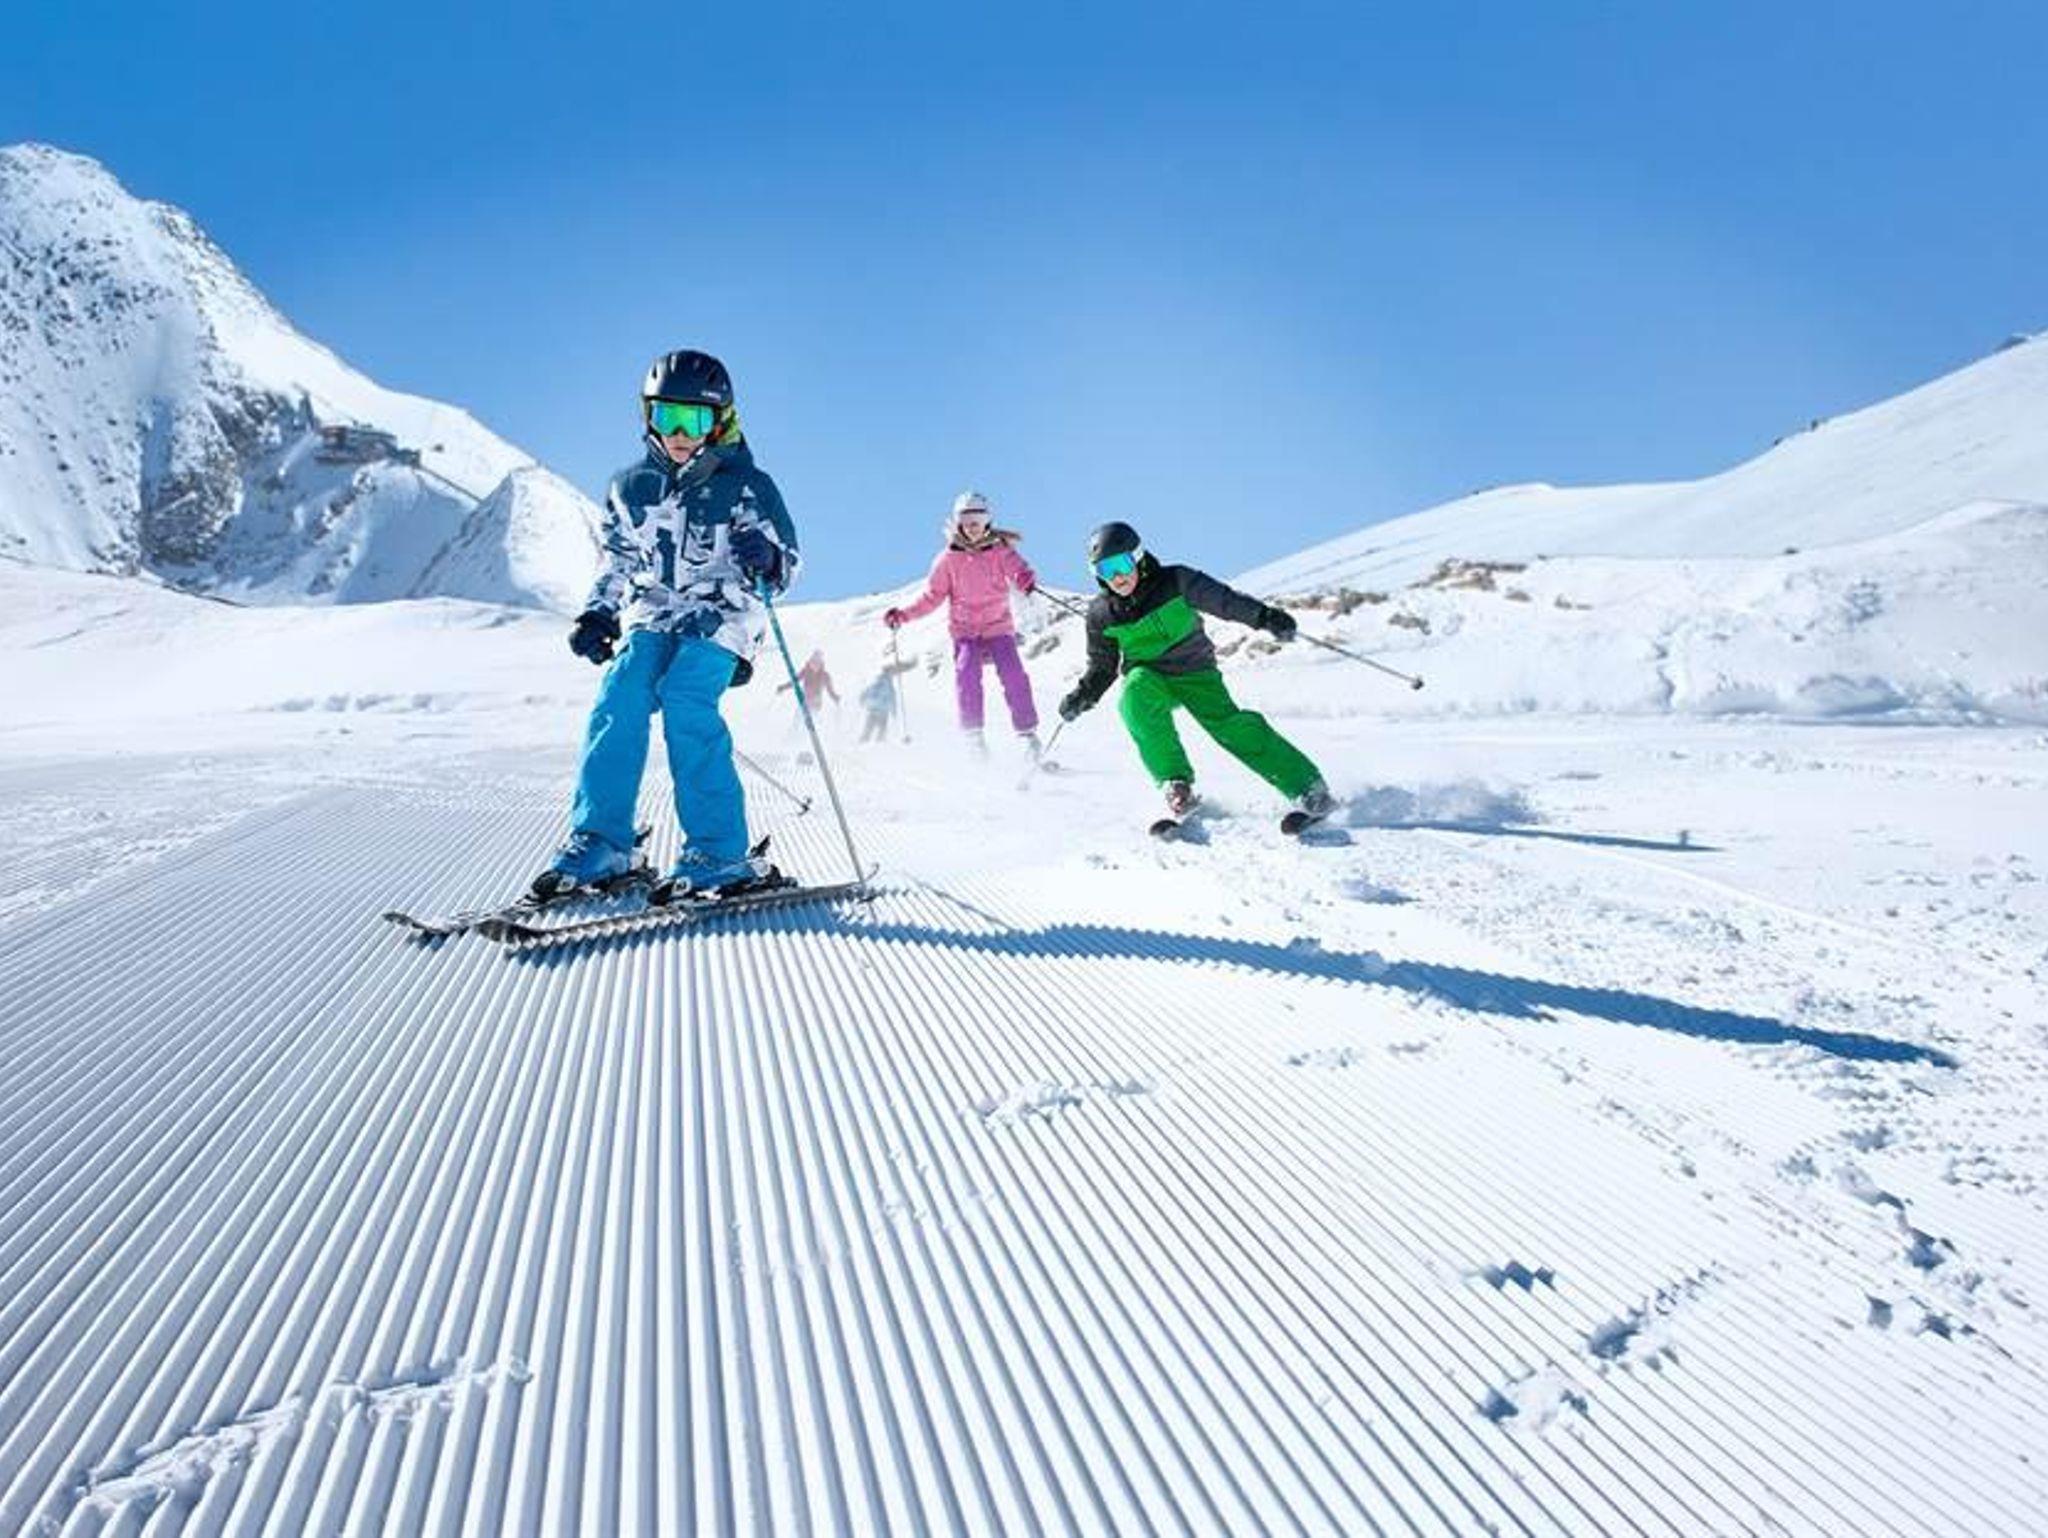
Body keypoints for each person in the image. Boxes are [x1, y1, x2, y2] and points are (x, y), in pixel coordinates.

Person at [534, 349, 799, 898]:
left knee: (685, 698)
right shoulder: (630, 487)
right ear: (647, 415)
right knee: (620, 696)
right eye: (666, 417)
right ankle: (602, 840)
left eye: (694, 420)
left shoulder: (748, 486)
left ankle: (719, 853)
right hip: (654, 613)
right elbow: (618, 560)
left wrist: (768, 557)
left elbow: (787, 566)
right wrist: (598, 611)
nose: (678, 433)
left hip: (723, 616)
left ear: (719, 420)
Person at [1056, 521, 1335, 824]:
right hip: (1149, 675)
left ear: (1137, 557)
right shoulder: (1101, 615)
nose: (1117, 577)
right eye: (1105, 570)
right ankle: (1175, 784)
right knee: (1134, 697)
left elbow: (1225, 601)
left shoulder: (1175, 581)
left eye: (1121, 565)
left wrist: (1264, 616)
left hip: (1195, 671)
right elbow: (1102, 666)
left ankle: (1308, 788)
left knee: (1229, 726)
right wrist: (1082, 695)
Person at [883, 490, 1041, 755]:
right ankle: (973, 737)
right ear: (957, 524)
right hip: (965, 631)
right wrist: (903, 615)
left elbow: (1018, 568)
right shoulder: (948, 560)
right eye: (966, 521)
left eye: (977, 521)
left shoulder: (1000, 552)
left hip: (998, 627)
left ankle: (1027, 735)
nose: (972, 527)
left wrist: (1024, 578)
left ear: (987, 521)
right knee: (966, 673)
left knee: (1013, 674)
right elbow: (931, 597)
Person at [858, 668, 897, 742]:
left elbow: (866, 692)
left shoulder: (876, 682)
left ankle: (862, 742)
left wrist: (862, 700)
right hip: (882, 712)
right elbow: (892, 699)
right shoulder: (889, 686)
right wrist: (894, 711)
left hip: (872, 709)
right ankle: (879, 744)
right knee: (882, 731)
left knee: (868, 729)